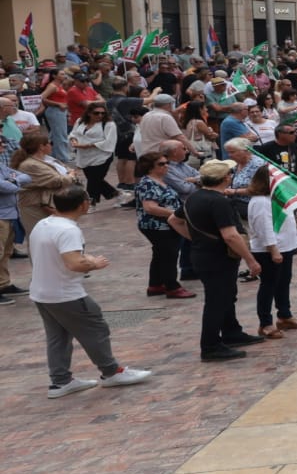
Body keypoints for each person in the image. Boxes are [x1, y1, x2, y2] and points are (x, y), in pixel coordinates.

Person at [31, 184, 152, 397]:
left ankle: (60, 381)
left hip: (43, 292)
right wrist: (93, 263)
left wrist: (84, 258)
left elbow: (57, 255)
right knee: (96, 330)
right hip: (66, 293)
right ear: (83, 205)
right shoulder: (68, 229)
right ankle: (111, 371)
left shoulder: (44, 223)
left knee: (57, 336)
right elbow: (74, 263)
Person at [184, 158, 262, 361]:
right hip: (217, 257)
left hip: (203, 254)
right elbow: (230, 235)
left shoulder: (195, 197)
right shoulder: (219, 201)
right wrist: (250, 260)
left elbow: (174, 219)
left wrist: (195, 237)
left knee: (226, 296)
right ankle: (210, 346)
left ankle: (232, 332)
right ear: (226, 178)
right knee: (217, 302)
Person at [246, 166, 297, 339]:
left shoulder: (276, 198)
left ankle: (285, 314)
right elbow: (263, 227)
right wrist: (273, 249)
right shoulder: (260, 201)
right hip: (269, 249)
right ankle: (265, 323)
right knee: (268, 285)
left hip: (285, 246)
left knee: (283, 282)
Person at [132, 150, 192, 299]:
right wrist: (174, 213)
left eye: (167, 163)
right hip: (158, 226)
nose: (166, 166)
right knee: (169, 255)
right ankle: (172, 286)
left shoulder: (159, 180)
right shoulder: (148, 183)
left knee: (160, 254)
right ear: (150, 167)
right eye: (161, 164)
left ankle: (155, 285)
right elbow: (150, 207)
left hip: (164, 225)